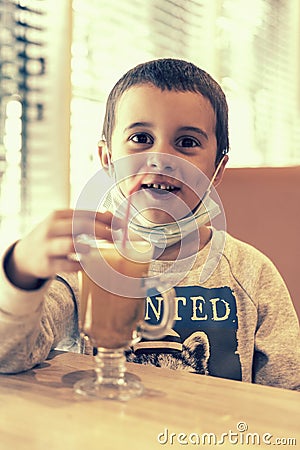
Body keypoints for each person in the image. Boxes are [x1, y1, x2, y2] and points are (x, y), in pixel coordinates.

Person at [0, 58, 299, 390]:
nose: (160, 159)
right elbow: (8, 356)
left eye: (187, 143)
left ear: (217, 170)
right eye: (141, 138)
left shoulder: (251, 273)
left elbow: (289, 395)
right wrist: (21, 272)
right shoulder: (78, 266)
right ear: (108, 160)